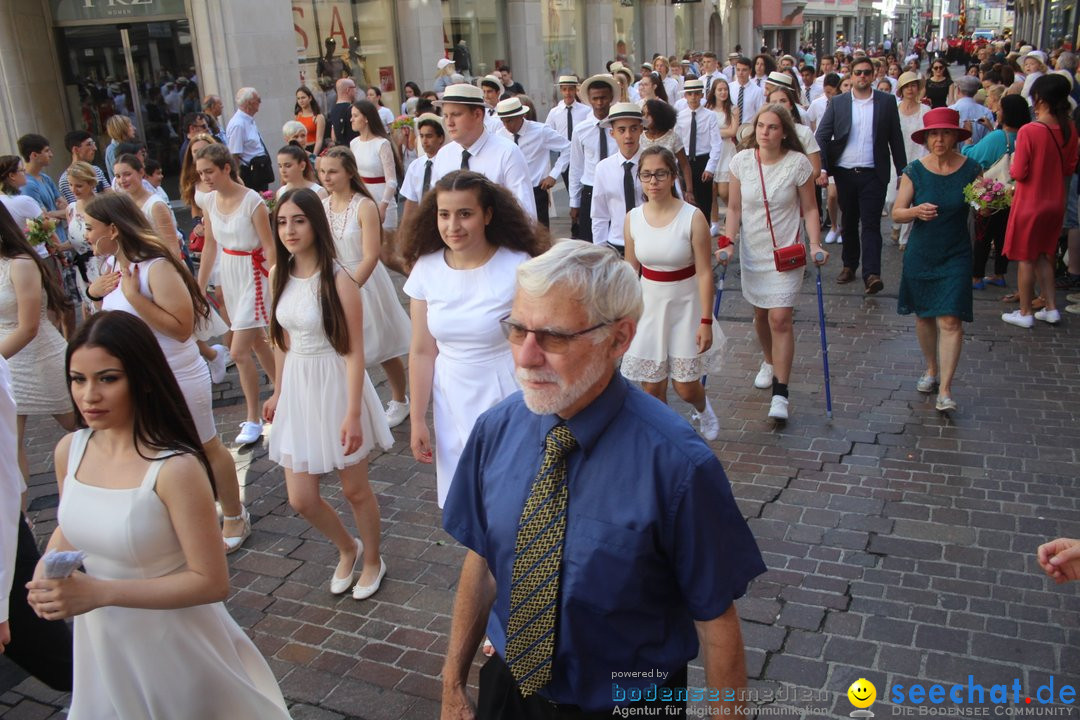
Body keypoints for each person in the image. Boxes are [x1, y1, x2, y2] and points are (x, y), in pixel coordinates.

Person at [439, 240, 766, 718]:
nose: (526, 357)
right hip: (511, 690)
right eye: (517, 329)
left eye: (552, 337)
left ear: (619, 339)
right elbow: (484, 559)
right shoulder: (497, 429)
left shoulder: (678, 466)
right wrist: (452, 682)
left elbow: (716, 621)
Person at [24, 310, 291, 719]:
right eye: (78, 379)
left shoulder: (175, 468)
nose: (88, 395)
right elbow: (72, 524)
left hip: (173, 645)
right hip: (103, 643)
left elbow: (211, 582)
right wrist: (46, 569)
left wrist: (99, 593)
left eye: (107, 378)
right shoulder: (70, 450)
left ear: (143, 379)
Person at [81, 192, 251, 552]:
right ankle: (184, 514)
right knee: (158, 451)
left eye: (89, 227)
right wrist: (94, 296)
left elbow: (181, 327)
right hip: (139, 378)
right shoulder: (111, 266)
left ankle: (235, 514)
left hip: (177, 372)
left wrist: (137, 298)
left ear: (112, 228)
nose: (84, 234)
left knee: (205, 445)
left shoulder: (156, 266)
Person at [262, 188, 393, 599]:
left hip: (336, 385)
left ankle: (372, 557)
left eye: (298, 220)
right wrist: (278, 391)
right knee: (301, 498)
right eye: (282, 222)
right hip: (298, 387)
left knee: (354, 488)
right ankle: (346, 547)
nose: (289, 230)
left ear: (315, 224)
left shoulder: (340, 279)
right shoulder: (275, 275)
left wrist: (353, 413)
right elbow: (281, 342)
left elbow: (354, 352)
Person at [400, 170, 545, 508]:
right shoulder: (426, 268)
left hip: (508, 390)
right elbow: (422, 351)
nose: (453, 226)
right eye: (444, 214)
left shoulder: (517, 266)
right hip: (450, 394)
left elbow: (539, 341)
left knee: (510, 497)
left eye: (465, 214)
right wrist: (419, 418)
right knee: (470, 500)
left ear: (488, 215)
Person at [723, 105, 827, 422]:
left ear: (784, 132)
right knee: (760, 314)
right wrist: (727, 242)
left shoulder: (798, 165)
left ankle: (780, 394)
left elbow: (809, 209)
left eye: (772, 127)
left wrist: (815, 244)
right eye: (760, 126)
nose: (765, 132)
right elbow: (734, 208)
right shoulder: (740, 162)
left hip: (786, 254)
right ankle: (768, 360)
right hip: (754, 253)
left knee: (780, 318)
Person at [621, 146, 720, 439]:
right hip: (649, 304)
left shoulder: (693, 217)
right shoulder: (633, 218)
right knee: (652, 387)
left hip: (686, 304)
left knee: (686, 385)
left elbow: (704, 272)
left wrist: (706, 320)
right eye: (647, 175)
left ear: (673, 175)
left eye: (661, 174)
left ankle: (703, 408)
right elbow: (630, 269)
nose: (653, 181)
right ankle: (667, 437)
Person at [891, 108, 981, 414]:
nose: (939, 139)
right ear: (926, 138)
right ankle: (931, 368)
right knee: (924, 316)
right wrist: (915, 212)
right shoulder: (914, 170)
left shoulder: (972, 169)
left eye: (944, 132)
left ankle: (945, 389)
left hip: (956, 252)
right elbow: (897, 212)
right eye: (933, 133)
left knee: (951, 319)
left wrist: (991, 203)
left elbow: (981, 206)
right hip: (922, 252)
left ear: (955, 136)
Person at [320, 146, 412, 427]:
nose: (326, 177)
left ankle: (399, 399)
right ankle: (351, 405)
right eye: (322, 171)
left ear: (349, 171)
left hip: (365, 281)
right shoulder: (322, 206)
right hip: (334, 280)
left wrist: (351, 285)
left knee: (383, 346)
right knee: (340, 348)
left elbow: (372, 254)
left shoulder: (365, 206)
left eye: (332, 171)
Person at [194, 143, 277, 445]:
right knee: (255, 340)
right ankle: (283, 392)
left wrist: (275, 280)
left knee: (239, 350)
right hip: (228, 272)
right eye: (201, 173)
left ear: (226, 168)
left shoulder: (252, 200)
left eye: (210, 171)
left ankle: (254, 418)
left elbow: (269, 245)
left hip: (253, 274)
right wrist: (199, 286)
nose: (205, 178)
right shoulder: (210, 202)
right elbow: (210, 246)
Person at [815, 55, 906, 294]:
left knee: (871, 224)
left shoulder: (886, 102)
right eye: (858, 73)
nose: (863, 76)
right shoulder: (839, 103)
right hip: (845, 173)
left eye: (867, 72)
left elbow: (895, 138)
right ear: (851, 76)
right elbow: (822, 135)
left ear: (874, 75)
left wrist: (902, 171)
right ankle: (849, 265)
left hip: (874, 173)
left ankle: (872, 273)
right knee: (849, 221)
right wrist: (823, 166)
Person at [0, 200, 76, 484]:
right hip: (8, 366)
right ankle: (20, 520)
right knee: (10, 444)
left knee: (79, 424)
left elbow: (29, 327)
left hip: (40, 356)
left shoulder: (20, 264)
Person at [1002, 74, 1079, 328]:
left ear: (1041, 100)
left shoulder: (1030, 130)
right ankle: (1051, 307)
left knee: (1026, 258)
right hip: (1056, 201)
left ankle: (1025, 312)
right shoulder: (1069, 128)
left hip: (1031, 202)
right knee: (1045, 255)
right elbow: (1070, 167)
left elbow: (1019, 172)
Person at [430, 84, 537, 219]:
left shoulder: (507, 152)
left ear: (477, 115)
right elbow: (435, 208)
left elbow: (526, 214)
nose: (449, 122)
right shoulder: (444, 155)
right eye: (445, 116)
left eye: (456, 115)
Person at [964, 94, 1029, 289]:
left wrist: (968, 138)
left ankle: (976, 277)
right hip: (1015, 194)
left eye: (1000, 109)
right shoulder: (1026, 135)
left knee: (982, 234)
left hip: (991, 193)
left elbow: (972, 156)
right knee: (1003, 235)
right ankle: (1000, 274)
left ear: (1007, 113)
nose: (997, 112)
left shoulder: (998, 137)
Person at [495, 97, 571, 228]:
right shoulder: (500, 135)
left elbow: (568, 148)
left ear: (521, 116)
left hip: (536, 190)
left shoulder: (540, 131)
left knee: (539, 232)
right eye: (503, 121)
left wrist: (553, 174)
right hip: (510, 192)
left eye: (510, 121)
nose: (507, 126)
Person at [590, 103, 646, 254]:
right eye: (622, 130)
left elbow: (673, 201)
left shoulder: (654, 162)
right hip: (616, 244)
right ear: (612, 133)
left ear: (641, 130)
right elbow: (599, 214)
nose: (628, 136)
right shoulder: (603, 168)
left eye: (633, 129)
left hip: (650, 242)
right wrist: (600, 250)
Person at [569, 75, 618, 242]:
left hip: (616, 186)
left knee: (617, 238)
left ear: (611, 97)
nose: (599, 103)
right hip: (590, 188)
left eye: (603, 98)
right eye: (595, 98)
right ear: (589, 99)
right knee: (590, 243)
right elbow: (576, 166)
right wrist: (574, 201)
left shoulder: (619, 127)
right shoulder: (581, 130)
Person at [350, 100, 403, 235]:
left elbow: (391, 181)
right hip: (362, 199)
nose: (352, 119)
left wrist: (383, 207)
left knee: (386, 247)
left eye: (355, 116)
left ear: (366, 118)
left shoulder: (382, 144)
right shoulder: (354, 143)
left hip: (382, 199)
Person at [112, 153, 181, 255]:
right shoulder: (123, 204)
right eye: (118, 176)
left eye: (127, 174)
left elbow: (172, 246)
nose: (122, 180)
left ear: (141, 172)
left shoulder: (156, 205)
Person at [893, 72, 932, 249]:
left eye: (913, 85)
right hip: (896, 158)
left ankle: (905, 238)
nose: (910, 89)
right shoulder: (894, 108)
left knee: (912, 196)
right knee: (891, 199)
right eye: (906, 86)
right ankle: (896, 225)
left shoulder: (925, 110)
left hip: (919, 156)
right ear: (901, 89)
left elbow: (929, 135)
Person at [63, 162, 105, 318]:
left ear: (91, 183)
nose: (73, 190)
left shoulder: (101, 205)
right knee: (88, 307)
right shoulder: (71, 209)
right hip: (81, 268)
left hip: (101, 264)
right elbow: (75, 241)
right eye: (70, 185)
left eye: (79, 185)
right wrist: (58, 247)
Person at [676, 79, 722, 219]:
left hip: (703, 161)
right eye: (690, 94)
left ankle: (704, 231)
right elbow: (675, 142)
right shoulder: (679, 116)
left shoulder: (710, 116)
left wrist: (710, 167)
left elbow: (716, 143)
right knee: (685, 202)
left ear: (702, 95)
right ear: (685, 96)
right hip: (685, 160)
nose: (693, 97)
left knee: (704, 203)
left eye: (696, 94)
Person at [545, 76, 591, 198]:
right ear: (561, 91)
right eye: (564, 89)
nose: (567, 93)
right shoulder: (554, 112)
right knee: (570, 188)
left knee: (582, 186)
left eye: (570, 89)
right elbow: (547, 133)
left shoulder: (585, 110)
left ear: (575, 90)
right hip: (564, 155)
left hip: (582, 154)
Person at [400, 113, 447, 231]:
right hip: (422, 225)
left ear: (440, 138)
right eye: (421, 136)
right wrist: (404, 231)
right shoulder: (415, 166)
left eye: (429, 136)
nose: (424, 141)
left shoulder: (448, 164)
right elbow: (411, 202)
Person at [640, 100, 694, 200]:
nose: (645, 118)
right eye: (643, 114)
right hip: (647, 185)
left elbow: (684, 165)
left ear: (658, 115)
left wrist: (689, 190)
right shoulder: (640, 137)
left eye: (649, 114)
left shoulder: (672, 137)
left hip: (669, 184)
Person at [226, 87, 274, 192]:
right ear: (249, 103)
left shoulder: (248, 120)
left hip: (260, 170)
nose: (260, 102)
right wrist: (237, 180)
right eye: (258, 100)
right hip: (249, 175)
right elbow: (234, 154)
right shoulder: (238, 124)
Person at [706, 76, 739, 217]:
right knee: (711, 190)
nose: (723, 92)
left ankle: (735, 213)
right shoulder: (708, 109)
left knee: (724, 191)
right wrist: (717, 134)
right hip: (712, 150)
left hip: (727, 150)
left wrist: (714, 133)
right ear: (714, 92)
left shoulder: (733, 109)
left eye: (725, 89)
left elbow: (733, 131)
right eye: (720, 90)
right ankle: (714, 221)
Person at [58, 132, 108, 205]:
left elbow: (110, 195)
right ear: (76, 150)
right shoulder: (66, 179)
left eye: (93, 144)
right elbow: (76, 208)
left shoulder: (96, 170)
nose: (95, 148)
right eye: (89, 144)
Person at [950, 75, 996, 146]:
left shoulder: (950, 110)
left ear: (958, 90)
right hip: (980, 153)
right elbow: (989, 138)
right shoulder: (985, 112)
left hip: (955, 154)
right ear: (976, 91)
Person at [732, 56, 765, 128]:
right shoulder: (729, 88)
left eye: (744, 70)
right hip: (731, 130)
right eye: (738, 70)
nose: (740, 73)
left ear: (750, 71)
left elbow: (760, 112)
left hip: (748, 130)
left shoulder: (757, 91)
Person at [103, 115, 136, 182]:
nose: (134, 128)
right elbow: (121, 175)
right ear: (122, 129)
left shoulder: (130, 145)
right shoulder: (113, 150)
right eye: (130, 126)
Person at [295, 85, 327, 155]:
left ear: (310, 98)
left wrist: (313, 156)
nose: (301, 101)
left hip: (314, 149)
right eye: (298, 98)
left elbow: (319, 140)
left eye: (303, 97)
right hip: (301, 150)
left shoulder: (318, 117)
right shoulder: (297, 116)